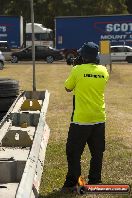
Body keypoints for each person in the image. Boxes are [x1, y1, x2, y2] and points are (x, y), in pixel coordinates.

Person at [62, 42, 109, 192]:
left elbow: (68, 88)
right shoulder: (104, 70)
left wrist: (76, 68)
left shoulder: (77, 70)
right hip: (99, 118)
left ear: (83, 56)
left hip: (81, 120)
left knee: (73, 151)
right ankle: (95, 180)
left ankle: (73, 182)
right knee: (97, 152)